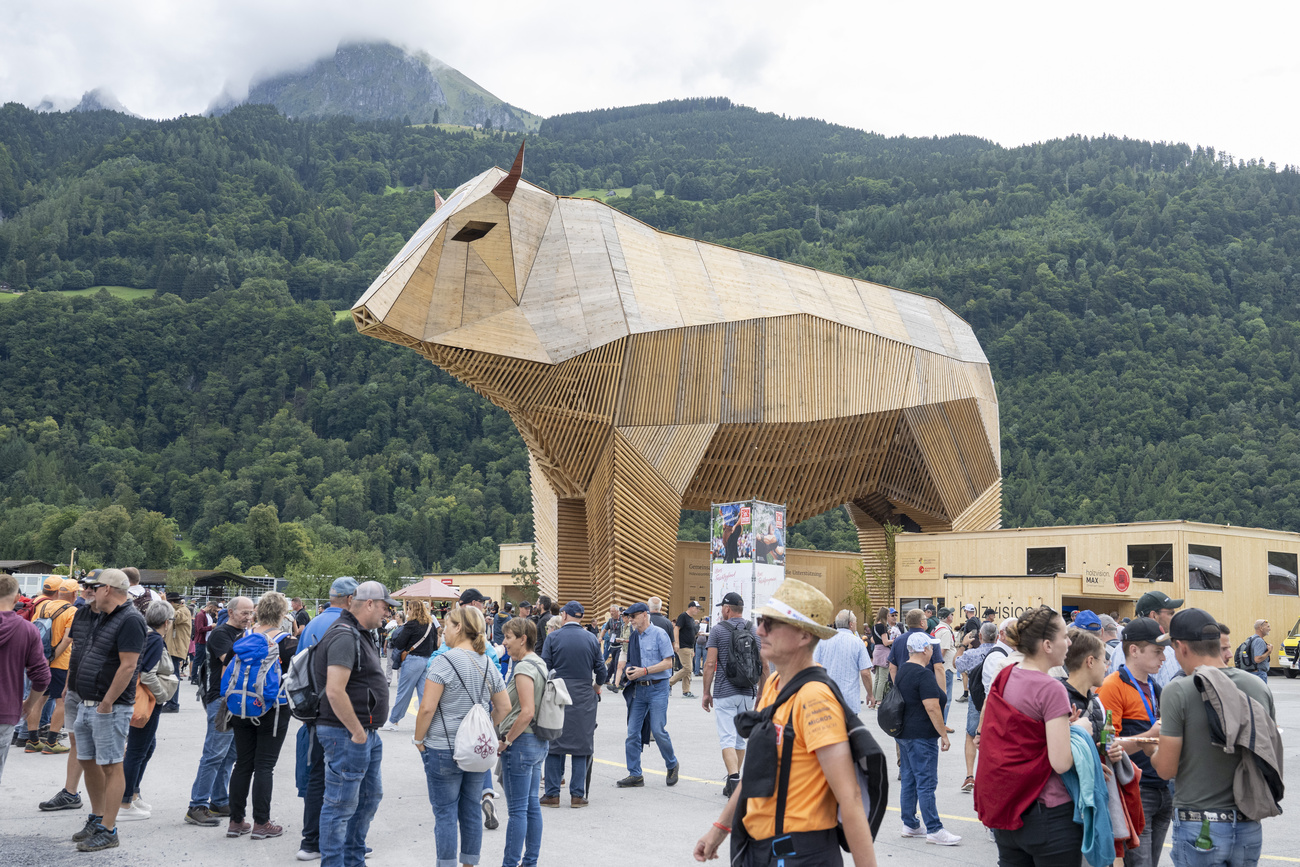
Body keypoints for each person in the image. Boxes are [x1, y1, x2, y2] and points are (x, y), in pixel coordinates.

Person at [692, 578, 877, 867]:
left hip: (799, 855)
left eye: (771, 623)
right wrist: (721, 828)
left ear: (804, 636)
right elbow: (756, 770)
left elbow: (850, 798)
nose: (760, 630)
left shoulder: (815, 698)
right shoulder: (776, 684)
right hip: (761, 850)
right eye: (761, 620)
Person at [1152, 608, 1278, 867]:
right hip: (1248, 825)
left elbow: (1166, 769)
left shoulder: (1178, 690)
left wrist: (1150, 750)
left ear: (1182, 647)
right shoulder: (1258, 687)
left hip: (1199, 825)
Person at [974, 605, 1091, 866]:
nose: (1069, 642)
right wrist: (1080, 729)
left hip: (1008, 812)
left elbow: (1018, 735)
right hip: (1048, 815)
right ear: (1047, 645)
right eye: (1064, 636)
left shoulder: (1004, 676)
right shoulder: (1051, 688)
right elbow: (1060, 762)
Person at [414, 605, 509, 867]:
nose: (443, 630)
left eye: (447, 624)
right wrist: (485, 727)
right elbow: (504, 707)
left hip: (442, 746)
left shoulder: (443, 661)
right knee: (470, 811)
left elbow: (427, 708)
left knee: (445, 813)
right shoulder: (487, 662)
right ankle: (470, 863)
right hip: (475, 750)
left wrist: (418, 740)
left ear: (458, 628)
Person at [316, 581, 396, 867]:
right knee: (340, 806)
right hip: (346, 734)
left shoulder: (360, 633)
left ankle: (353, 859)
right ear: (370, 603)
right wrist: (357, 732)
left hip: (360, 733)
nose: (388, 613)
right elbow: (334, 690)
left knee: (368, 798)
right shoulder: (345, 635)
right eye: (386, 607)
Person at [71, 568, 148, 852]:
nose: (90, 592)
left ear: (107, 589)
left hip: (110, 707)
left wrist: (106, 703)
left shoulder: (130, 619)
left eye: (95, 587)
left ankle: (109, 828)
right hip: (89, 702)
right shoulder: (103, 616)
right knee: (89, 760)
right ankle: (98, 816)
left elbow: (129, 665)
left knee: (111, 765)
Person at [1098, 616, 1171, 867]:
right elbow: (1108, 747)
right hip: (1137, 792)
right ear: (1134, 650)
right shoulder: (1112, 687)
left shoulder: (1155, 687)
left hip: (1163, 790)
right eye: (1158, 651)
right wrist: (1149, 735)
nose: (1164, 658)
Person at [295, 577, 357, 861]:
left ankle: (310, 840)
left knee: (316, 775)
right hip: (338, 714)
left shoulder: (312, 625)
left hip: (311, 711)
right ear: (350, 598)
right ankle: (340, 840)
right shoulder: (347, 627)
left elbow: (296, 667)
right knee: (346, 778)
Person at [226, 592, 297, 840]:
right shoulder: (287, 643)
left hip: (240, 705)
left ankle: (236, 821)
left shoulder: (243, 636)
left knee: (242, 763)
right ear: (281, 615)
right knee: (265, 766)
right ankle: (262, 823)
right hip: (273, 708)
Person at [185, 595, 253, 828]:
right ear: (231, 612)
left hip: (238, 700)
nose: (248, 617)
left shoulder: (247, 633)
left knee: (230, 754)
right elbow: (233, 662)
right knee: (214, 754)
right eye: (244, 612)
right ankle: (197, 805)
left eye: (251, 612)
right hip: (221, 700)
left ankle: (219, 800)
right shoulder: (221, 634)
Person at [539, 601, 606, 807]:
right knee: (581, 744)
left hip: (558, 693)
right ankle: (578, 795)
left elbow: (544, 668)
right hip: (584, 695)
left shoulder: (553, 637)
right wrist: (595, 687)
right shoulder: (591, 639)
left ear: (565, 616)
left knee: (554, 742)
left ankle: (552, 794)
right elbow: (602, 671)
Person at [896, 631, 960, 845]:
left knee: (909, 779)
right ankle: (934, 828)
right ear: (924, 649)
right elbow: (932, 707)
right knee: (926, 781)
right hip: (922, 735)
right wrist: (943, 734)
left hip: (904, 734)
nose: (933, 650)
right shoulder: (923, 674)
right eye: (931, 647)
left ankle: (910, 824)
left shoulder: (904, 669)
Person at [117, 599, 178, 822]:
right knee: (137, 749)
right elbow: (147, 674)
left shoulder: (146, 635)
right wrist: (163, 696)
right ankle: (124, 801)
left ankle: (132, 793)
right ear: (167, 622)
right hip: (149, 700)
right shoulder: (155, 640)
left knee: (145, 746)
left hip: (145, 699)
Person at [498, 616, 548, 867]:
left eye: (508, 637)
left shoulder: (524, 667)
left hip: (521, 744)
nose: (505, 642)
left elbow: (526, 711)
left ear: (523, 639)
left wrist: (506, 740)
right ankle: (530, 862)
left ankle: (511, 863)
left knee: (517, 811)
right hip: (538, 742)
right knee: (530, 807)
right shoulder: (539, 663)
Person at [702, 591, 762, 796]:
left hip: (725, 691)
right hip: (748, 692)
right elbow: (762, 664)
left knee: (727, 738)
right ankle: (732, 780)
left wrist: (705, 692)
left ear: (727, 609)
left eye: (722, 608)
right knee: (739, 739)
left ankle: (735, 783)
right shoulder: (753, 629)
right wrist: (762, 692)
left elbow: (710, 663)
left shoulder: (718, 630)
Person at [618, 600, 680, 788]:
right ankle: (635, 774)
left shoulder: (659, 634)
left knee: (658, 730)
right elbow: (632, 660)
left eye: (633, 617)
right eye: (629, 617)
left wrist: (644, 671)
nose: (630, 621)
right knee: (632, 733)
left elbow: (669, 663)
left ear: (645, 614)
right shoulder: (634, 636)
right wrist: (629, 671)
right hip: (639, 689)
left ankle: (672, 764)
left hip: (658, 688)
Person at [0, 572, 51, 783]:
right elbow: (41, 676)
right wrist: (30, 704)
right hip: (5, 712)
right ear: (16, 598)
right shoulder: (27, 630)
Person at [24, 577, 76, 753]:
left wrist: (42, 657)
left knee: (38, 698)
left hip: (40, 660)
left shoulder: (43, 606)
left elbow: (33, 630)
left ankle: (32, 740)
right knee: (62, 701)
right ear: (74, 594)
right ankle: (52, 742)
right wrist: (53, 656)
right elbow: (68, 638)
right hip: (60, 664)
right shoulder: (72, 610)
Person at [954, 621, 998, 794]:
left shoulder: (972, 653)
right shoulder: (1001, 654)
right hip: (995, 699)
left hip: (976, 698)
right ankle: (990, 776)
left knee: (971, 734)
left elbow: (957, 664)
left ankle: (969, 775)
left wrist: (962, 645)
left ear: (980, 636)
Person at [381, 600, 438, 731]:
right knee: (425, 694)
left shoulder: (411, 625)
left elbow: (400, 644)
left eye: (409, 609)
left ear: (413, 610)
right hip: (427, 661)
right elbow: (435, 645)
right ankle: (429, 723)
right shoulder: (431, 625)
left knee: (404, 692)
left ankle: (393, 721)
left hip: (413, 660)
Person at [1108, 590, 1183, 687]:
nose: (1173, 618)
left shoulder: (1118, 649)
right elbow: (1171, 696)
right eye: (1171, 613)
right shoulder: (1166, 652)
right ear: (1154, 615)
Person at [813, 609, 872, 708]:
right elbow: (865, 673)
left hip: (826, 697)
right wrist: (870, 694)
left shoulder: (823, 641)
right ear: (851, 624)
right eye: (855, 622)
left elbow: (813, 667)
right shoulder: (858, 642)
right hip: (849, 700)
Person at [889, 609, 945, 703]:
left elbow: (892, 667)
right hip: (926, 687)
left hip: (904, 686)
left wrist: (896, 688)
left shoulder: (898, 641)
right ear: (922, 623)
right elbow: (938, 668)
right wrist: (943, 694)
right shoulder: (930, 640)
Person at [161, 592, 191, 712]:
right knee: (170, 675)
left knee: (174, 675)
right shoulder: (179, 609)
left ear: (171, 603)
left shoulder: (183, 611)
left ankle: (173, 703)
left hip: (176, 647)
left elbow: (175, 617)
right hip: (172, 647)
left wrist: (163, 602)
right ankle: (171, 702)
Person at [934, 607, 960, 722]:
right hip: (946, 668)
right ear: (948, 617)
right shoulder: (945, 631)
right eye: (952, 614)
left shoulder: (938, 628)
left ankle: (940, 721)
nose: (953, 616)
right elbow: (943, 651)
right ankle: (943, 723)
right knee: (946, 697)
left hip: (943, 667)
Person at [669, 600, 700, 698]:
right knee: (688, 668)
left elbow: (691, 634)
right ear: (690, 607)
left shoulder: (691, 619)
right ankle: (669, 683)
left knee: (688, 671)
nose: (698, 610)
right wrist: (676, 643)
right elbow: (676, 628)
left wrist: (693, 649)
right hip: (683, 646)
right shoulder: (683, 616)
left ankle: (686, 691)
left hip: (690, 648)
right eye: (696, 608)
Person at [869, 606, 895, 708]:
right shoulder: (883, 627)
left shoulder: (875, 626)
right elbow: (885, 642)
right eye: (889, 615)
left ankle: (874, 699)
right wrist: (896, 639)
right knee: (883, 678)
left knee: (877, 678)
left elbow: (875, 640)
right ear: (885, 615)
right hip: (884, 652)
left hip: (876, 651)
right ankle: (879, 701)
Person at [192, 601, 217, 685]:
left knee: (203, 660)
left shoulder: (207, 615)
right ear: (210, 607)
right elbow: (199, 629)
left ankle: (199, 677)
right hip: (201, 641)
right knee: (198, 660)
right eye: (214, 610)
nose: (214, 612)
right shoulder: (200, 615)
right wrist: (211, 627)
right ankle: (194, 677)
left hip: (205, 640)